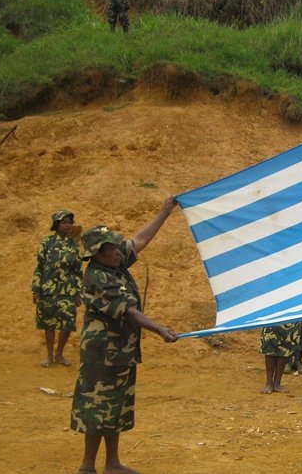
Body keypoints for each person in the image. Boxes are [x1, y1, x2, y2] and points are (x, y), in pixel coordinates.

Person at [70, 198, 180, 474]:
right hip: (103, 354)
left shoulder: (113, 265)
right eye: (110, 249)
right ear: (97, 254)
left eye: (117, 246)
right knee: (98, 408)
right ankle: (87, 466)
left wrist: (165, 212)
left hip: (119, 352)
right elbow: (129, 311)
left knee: (115, 408)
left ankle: (112, 464)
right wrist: (159, 329)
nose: (118, 251)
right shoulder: (98, 277)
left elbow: (141, 239)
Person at [32, 209, 83, 368]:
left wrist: (79, 292)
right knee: (49, 322)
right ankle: (49, 355)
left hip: (68, 290)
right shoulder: (46, 243)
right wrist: (36, 290)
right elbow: (39, 268)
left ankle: (60, 353)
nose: (68, 225)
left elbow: (77, 270)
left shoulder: (74, 245)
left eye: (69, 223)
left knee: (67, 323)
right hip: (48, 289)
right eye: (64, 222)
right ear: (56, 224)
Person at [260, 322, 300, 394]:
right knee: (269, 345)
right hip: (272, 316)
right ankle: (269, 383)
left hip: (290, 316)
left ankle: (277, 383)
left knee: (285, 347)